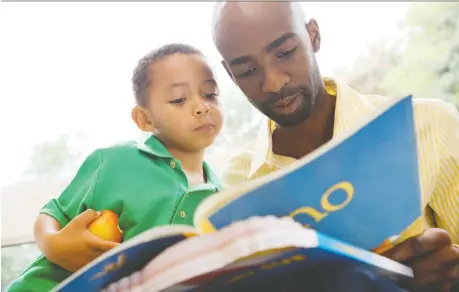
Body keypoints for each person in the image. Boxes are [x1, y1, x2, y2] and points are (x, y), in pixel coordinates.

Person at [211, 2, 459, 291]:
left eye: (285, 53)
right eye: (248, 70)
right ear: (230, 75)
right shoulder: (236, 186)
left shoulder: (428, 124)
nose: (273, 83)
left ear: (313, 36)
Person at [6, 43, 224, 292]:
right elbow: (51, 214)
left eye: (210, 94)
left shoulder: (220, 202)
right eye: (179, 99)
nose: (202, 107)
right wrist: (53, 244)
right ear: (145, 119)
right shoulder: (115, 161)